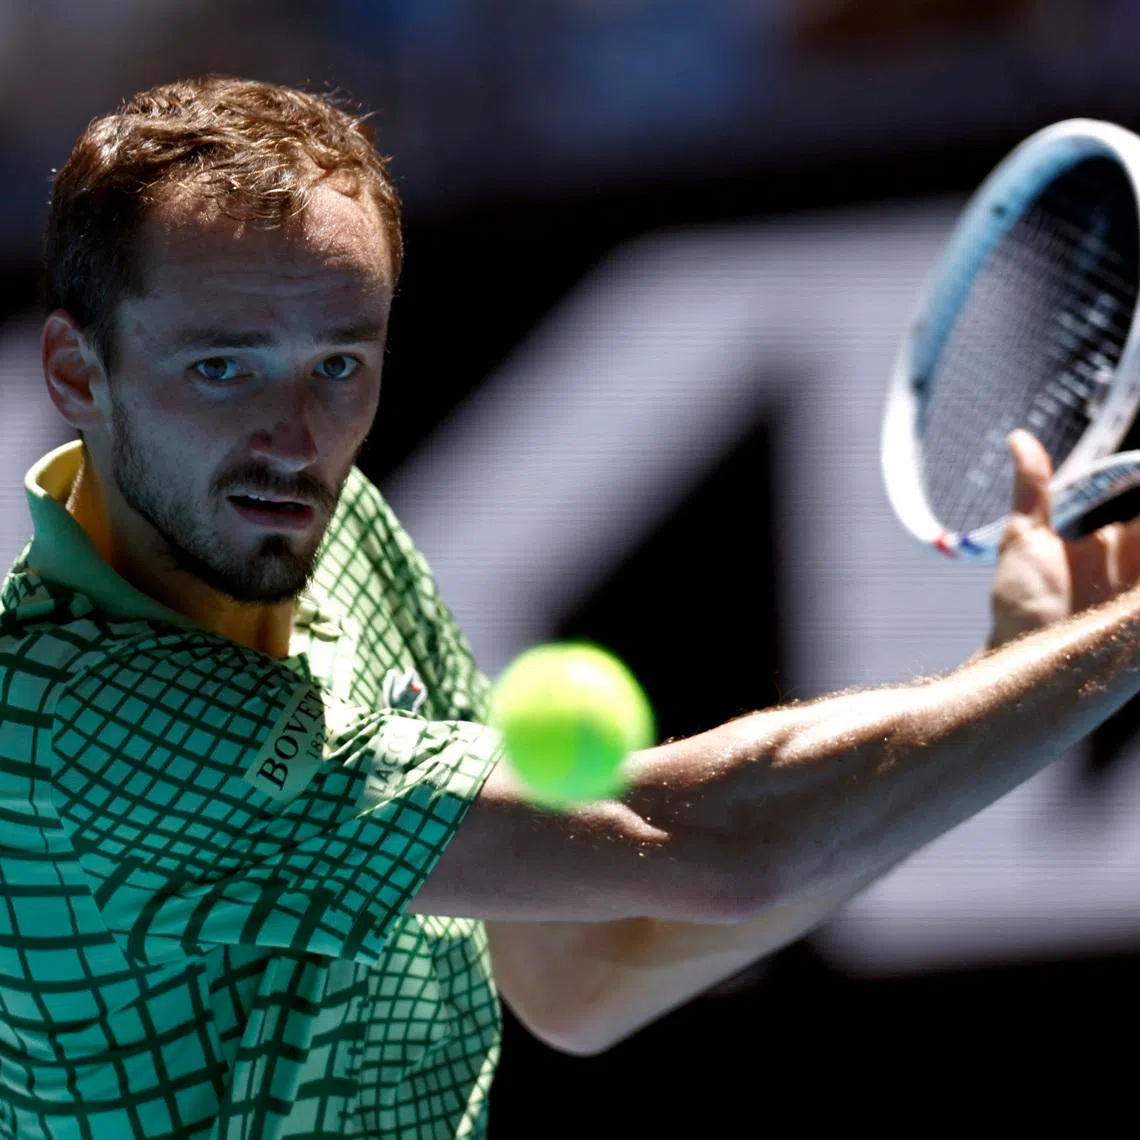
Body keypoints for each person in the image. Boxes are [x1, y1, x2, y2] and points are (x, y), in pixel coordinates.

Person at [4, 74, 1140, 1140]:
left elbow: (575, 976)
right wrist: (1099, 652)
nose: (297, 440)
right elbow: (717, 842)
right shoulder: (81, 721)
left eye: (339, 365)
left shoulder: (331, 535)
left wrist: (1019, 672)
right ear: (77, 375)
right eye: (223, 368)